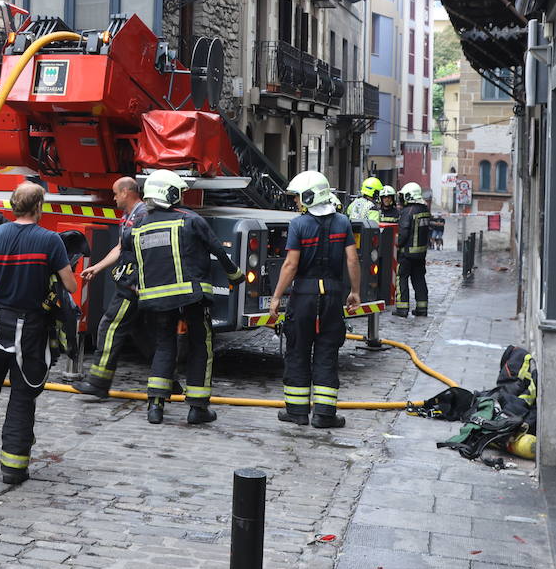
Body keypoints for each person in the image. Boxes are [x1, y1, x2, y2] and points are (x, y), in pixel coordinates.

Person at [0, 182, 76, 484]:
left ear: (12, 206)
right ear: (39, 207)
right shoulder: (50, 241)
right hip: (30, 329)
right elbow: (70, 286)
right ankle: (13, 468)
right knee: (22, 397)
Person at [128, 170, 244, 426]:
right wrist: (235, 275)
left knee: (164, 346)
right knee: (200, 345)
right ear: (171, 193)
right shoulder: (190, 219)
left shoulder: (139, 225)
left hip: (157, 299)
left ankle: (155, 406)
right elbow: (217, 249)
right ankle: (197, 407)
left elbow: (132, 259)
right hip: (192, 296)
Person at [269, 171, 362, 429]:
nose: (297, 202)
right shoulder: (343, 222)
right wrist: (355, 291)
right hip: (332, 296)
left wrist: (277, 297)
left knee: (298, 351)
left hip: (304, 297)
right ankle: (324, 415)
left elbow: (290, 265)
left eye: (299, 197)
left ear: (310, 196)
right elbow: (352, 260)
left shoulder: (298, 225)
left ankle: (297, 412)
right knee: (327, 352)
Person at [71, 176, 147, 398]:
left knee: (109, 326)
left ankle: (98, 382)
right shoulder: (129, 216)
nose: (113, 198)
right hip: (131, 283)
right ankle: (169, 382)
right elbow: (121, 247)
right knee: (143, 334)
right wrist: (97, 267)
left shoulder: (143, 217)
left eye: (115, 193)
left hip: (132, 286)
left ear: (126, 192)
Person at [395, 182, 432, 317]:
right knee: (419, 280)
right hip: (421, 254)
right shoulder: (425, 211)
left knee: (401, 278)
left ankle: (402, 308)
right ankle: (422, 308)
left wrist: (396, 246)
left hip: (407, 254)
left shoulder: (408, 211)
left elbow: (403, 233)